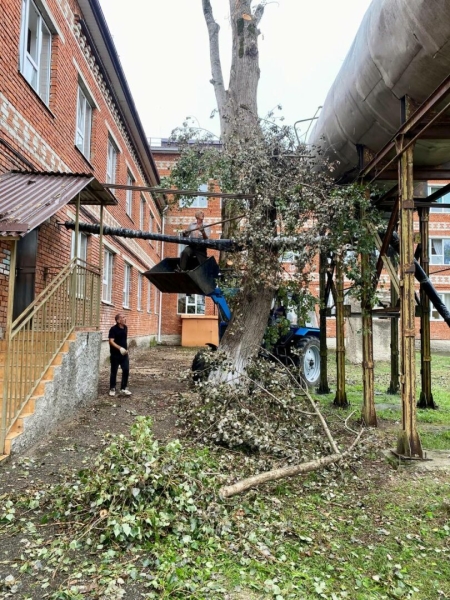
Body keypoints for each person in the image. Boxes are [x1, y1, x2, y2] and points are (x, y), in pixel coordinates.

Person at [108, 313, 131, 396]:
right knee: (114, 371)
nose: (125, 318)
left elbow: (123, 340)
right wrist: (120, 348)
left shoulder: (125, 328)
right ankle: (112, 388)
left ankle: (123, 388)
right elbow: (111, 341)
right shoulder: (113, 329)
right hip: (115, 354)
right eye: (123, 317)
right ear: (118, 320)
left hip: (124, 354)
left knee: (126, 369)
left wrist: (125, 349)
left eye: (125, 317)